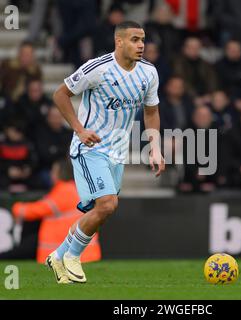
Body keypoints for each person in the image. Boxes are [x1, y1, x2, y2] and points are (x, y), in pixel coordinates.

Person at [50, 21, 165, 284]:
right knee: (108, 204)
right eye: (135, 39)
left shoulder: (149, 73)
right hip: (90, 147)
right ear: (119, 42)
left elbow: (151, 111)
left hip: (116, 152)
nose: (141, 45)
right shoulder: (98, 68)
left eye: (143, 40)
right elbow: (60, 94)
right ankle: (74, 257)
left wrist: (155, 149)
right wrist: (79, 129)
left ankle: (57, 255)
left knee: (104, 211)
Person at [11, 159, 101, 269]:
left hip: (70, 256)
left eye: (53, 171)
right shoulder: (76, 188)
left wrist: (17, 208)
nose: (50, 174)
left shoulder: (65, 190)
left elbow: (36, 210)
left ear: (59, 173)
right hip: (83, 254)